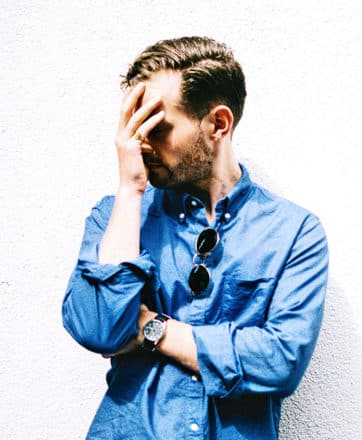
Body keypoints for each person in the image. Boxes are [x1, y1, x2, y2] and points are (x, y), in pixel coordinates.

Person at [62, 36, 328, 439]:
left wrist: (154, 329)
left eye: (155, 126)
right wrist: (131, 189)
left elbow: (281, 361)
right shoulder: (116, 215)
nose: (139, 143)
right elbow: (100, 328)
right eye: (132, 126)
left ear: (218, 124)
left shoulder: (293, 233)